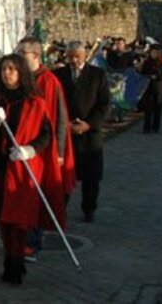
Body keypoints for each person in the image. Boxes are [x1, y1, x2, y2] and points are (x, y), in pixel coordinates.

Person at [0, 54, 60, 285]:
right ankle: (9, 261)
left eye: (12, 69)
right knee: (4, 218)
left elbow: (46, 135)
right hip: (0, 167)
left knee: (19, 218)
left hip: (22, 169)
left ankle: (17, 260)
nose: (7, 73)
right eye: (4, 69)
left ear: (21, 73)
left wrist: (30, 150)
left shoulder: (35, 102)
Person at [16, 37, 73, 259]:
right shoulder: (19, 79)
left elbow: (60, 117)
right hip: (20, 147)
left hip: (43, 147)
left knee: (38, 195)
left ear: (36, 56)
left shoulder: (49, 81)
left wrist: (59, 151)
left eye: (23, 53)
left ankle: (33, 241)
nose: (19, 57)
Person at [53, 41, 110, 222]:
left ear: (84, 55)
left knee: (91, 178)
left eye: (77, 56)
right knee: (63, 176)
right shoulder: (58, 75)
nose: (74, 61)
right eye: (70, 57)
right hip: (66, 132)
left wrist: (88, 124)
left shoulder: (97, 75)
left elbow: (104, 104)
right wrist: (65, 125)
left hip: (90, 134)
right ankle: (60, 210)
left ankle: (89, 209)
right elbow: (53, 104)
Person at [138, 45, 162, 134]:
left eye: (155, 53)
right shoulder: (147, 62)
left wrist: (157, 77)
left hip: (158, 87)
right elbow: (142, 74)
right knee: (148, 108)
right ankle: (147, 127)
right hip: (148, 87)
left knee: (157, 108)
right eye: (152, 52)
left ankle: (156, 127)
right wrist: (147, 75)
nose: (153, 54)